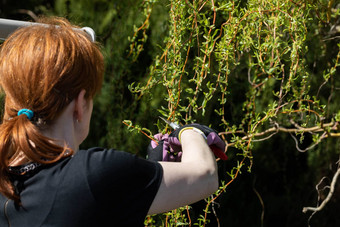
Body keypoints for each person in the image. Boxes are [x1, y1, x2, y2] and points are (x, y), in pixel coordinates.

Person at [0, 17, 221, 226]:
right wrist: (190, 133)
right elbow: (204, 175)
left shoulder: (6, 183)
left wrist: (145, 177)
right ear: (80, 105)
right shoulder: (93, 175)